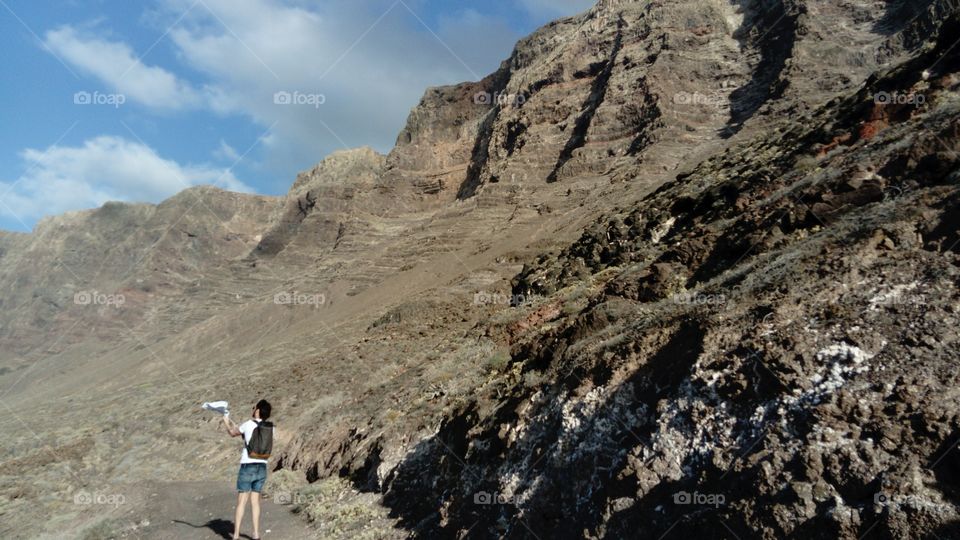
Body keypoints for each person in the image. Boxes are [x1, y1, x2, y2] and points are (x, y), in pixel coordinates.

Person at [222, 399, 273, 540]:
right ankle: (256, 534)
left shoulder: (248, 424)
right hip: (262, 467)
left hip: (247, 466)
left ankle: (236, 535)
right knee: (255, 502)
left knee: (242, 502)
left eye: (254, 407)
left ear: (257, 410)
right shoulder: (270, 427)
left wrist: (225, 419)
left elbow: (233, 433)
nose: (253, 408)